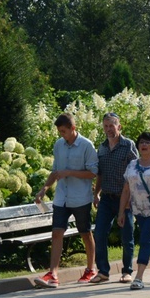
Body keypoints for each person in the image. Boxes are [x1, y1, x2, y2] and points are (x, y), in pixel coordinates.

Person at [34, 113, 99, 288]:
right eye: (59, 131)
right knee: (56, 233)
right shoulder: (58, 145)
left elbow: (93, 172)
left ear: (73, 128)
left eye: (64, 131)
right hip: (61, 198)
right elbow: (55, 171)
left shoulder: (86, 145)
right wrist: (43, 190)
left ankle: (90, 269)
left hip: (81, 198)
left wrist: (69, 172)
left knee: (85, 233)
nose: (61, 135)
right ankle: (53, 274)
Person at [117, 132, 150, 290]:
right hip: (138, 210)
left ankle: (139, 277)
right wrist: (121, 212)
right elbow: (126, 190)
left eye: (148, 142)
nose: (144, 145)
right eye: (141, 142)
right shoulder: (132, 165)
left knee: (145, 240)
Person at [91, 112, 138, 284]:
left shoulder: (128, 145)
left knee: (126, 235)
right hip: (106, 198)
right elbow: (100, 174)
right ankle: (103, 271)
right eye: (106, 126)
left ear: (119, 127)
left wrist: (128, 200)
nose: (109, 129)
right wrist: (96, 193)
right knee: (100, 233)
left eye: (112, 125)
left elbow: (135, 173)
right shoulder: (102, 148)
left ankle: (127, 271)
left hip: (124, 199)